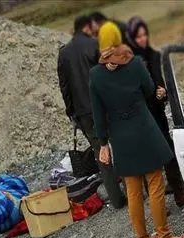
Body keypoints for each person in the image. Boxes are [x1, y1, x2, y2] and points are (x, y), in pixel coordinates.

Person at [89, 22, 184, 238]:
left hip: (120, 137)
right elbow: (148, 91)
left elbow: (97, 113)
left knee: (133, 191)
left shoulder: (95, 75)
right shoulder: (134, 63)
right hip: (144, 130)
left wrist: (104, 143)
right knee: (155, 184)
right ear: (119, 39)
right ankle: (165, 237)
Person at [57, 15, 126, 209]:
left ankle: (116, 199)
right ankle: (134, 191)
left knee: (100, 153)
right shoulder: (94, 46)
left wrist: (71, 112)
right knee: (119, 146)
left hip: (82, 112)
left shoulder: (63, 53)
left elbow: (64, 87)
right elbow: (109, 73)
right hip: (104, 106)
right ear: (88, 28)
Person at [126, 16, 184, 207]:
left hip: (157, 112)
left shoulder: (153, 55)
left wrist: (161, 89)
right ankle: (158, 203)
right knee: (150, 159)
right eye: (138, 37)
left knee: (169, 153)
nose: (143, 39)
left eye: (145, 35)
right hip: (142, 115)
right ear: (131, 38)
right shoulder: (129, 62)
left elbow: (159, 78)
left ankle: (179, 192)